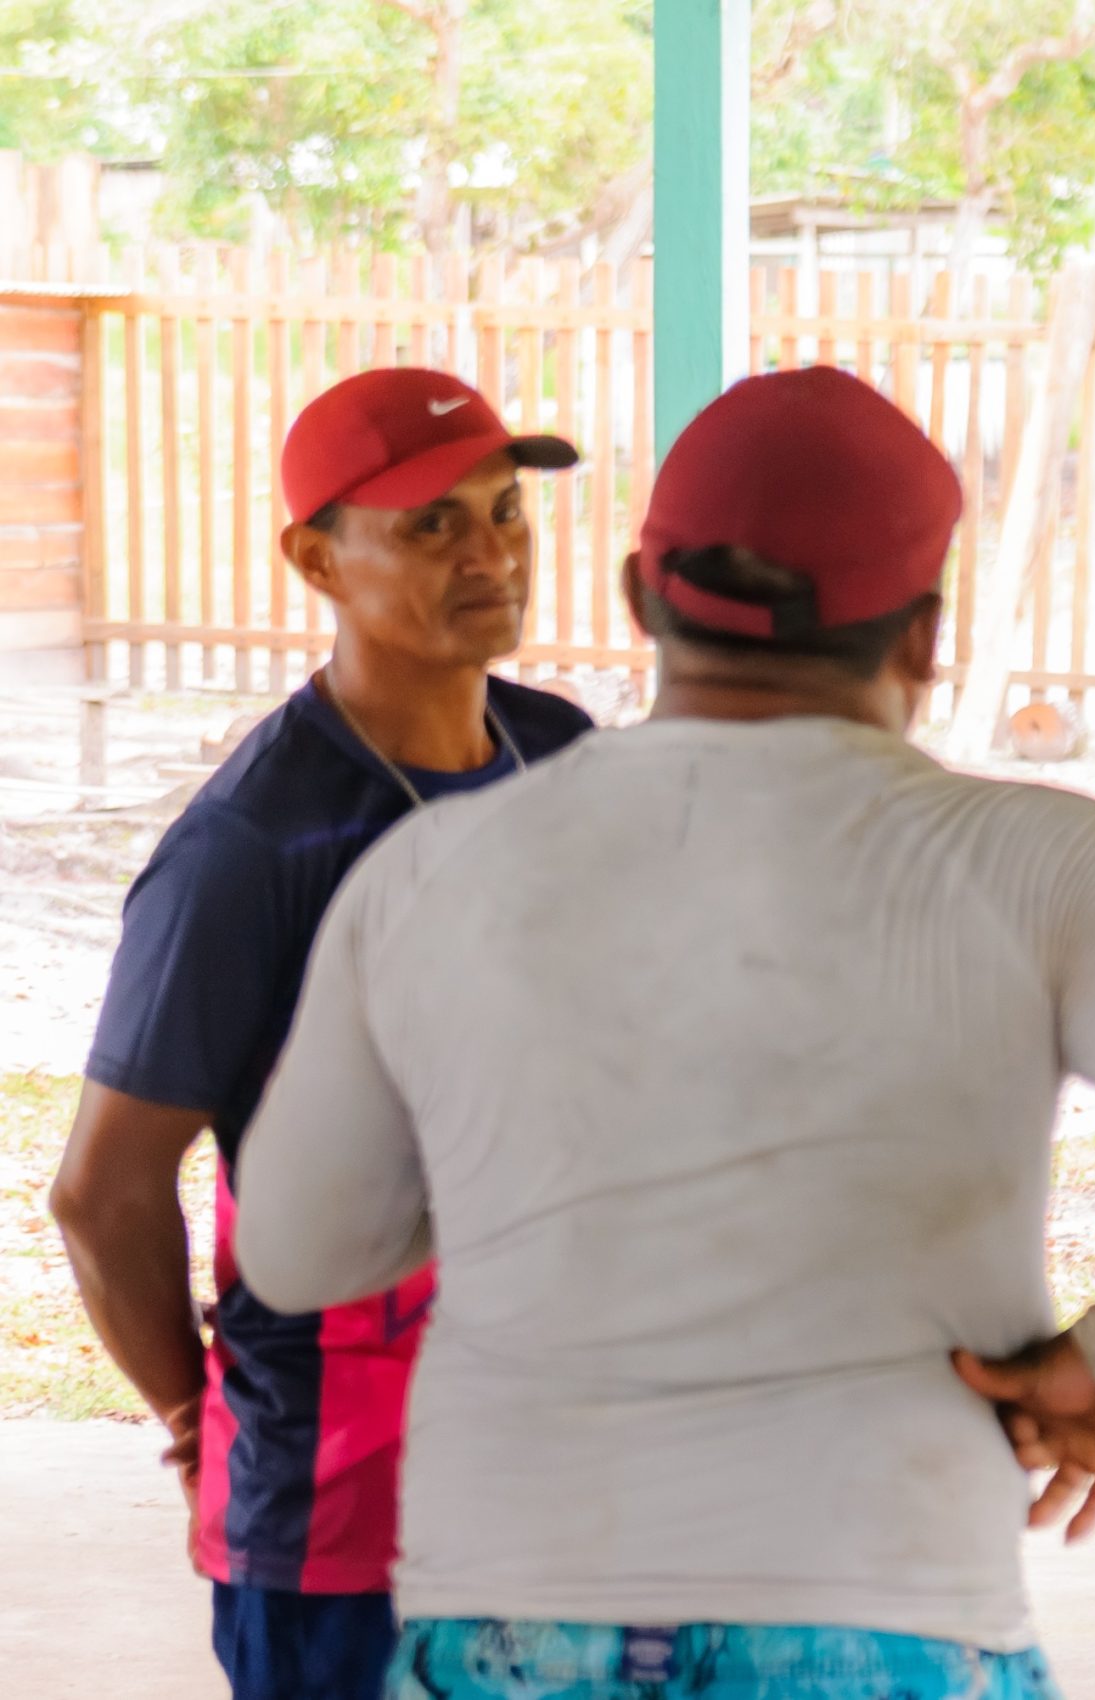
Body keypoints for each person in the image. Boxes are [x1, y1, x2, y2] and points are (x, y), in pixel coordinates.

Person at [229, 366, 1095, 1700]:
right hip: (885, 1612)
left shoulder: (433, 874)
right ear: (923, 639)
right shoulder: (1034, 863)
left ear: (640, 601)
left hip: (514, 1617)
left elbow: (299, 1248)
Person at [46, 370, 588, 1699]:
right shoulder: (252, 848)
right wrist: (197, 1416)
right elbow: (103, 1194)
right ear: (314, 557)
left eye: (505, 512)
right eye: (429, 525)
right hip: (347, 1523)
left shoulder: (565, 759)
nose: (490, 552)